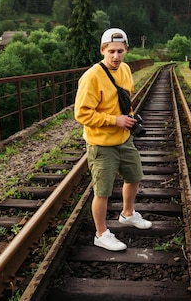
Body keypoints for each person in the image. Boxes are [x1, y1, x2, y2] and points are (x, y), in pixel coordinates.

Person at [74, 27, 152, 251]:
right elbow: (81, 114)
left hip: (124, 139)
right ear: (102, 50)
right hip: (101, 143)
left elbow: (125, 99)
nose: (116, 56)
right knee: (102, 191)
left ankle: (128, 214)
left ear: (126, 50)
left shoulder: (125, 70)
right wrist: (114, 120)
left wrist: (129, 117)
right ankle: (101, 234)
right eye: (111, 52)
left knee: (134, 175)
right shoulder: (91, 77)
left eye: (120, 51)